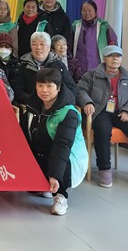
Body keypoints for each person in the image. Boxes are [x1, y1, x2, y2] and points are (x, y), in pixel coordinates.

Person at [76, 45, 128, 192]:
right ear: (104, 58)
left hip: (122, 112)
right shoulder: (92, 75)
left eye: (118, 56)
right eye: (111, 56)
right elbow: (80, 90)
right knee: (103, 130)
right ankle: (104, 169)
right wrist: (88, 102)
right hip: (100, 111)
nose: (115, 59)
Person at [21, 68, 87, 216]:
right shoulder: (31, 108)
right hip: (43, 152)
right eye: (40, 85)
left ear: (58, 88)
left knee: (57, 159)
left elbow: (62, 146)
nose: (44, 90)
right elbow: (23, 137)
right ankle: (44, 184)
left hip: (68, 158)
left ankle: (60, 196)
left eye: (49, 86)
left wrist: (55, 175)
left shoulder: (69, 113)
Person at [15, 32, 77, 107]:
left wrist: (56, 102)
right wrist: (35, 101)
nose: (38, 47)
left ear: (49, 47)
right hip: (31, 106)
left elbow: (71, 88)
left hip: (57, 106)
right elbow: (18, 91)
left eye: (42, 44)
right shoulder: (24, 66)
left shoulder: (58, 65)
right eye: (34, 44)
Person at [69, 0, 118, 78]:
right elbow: (69, 47)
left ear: (95, 12)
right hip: (79, 69)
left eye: (90, 11)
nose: (87, 13)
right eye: (84, 11)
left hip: (99, 67)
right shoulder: (75, 26)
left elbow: (113, 44)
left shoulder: (103, 26)